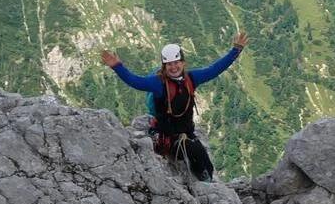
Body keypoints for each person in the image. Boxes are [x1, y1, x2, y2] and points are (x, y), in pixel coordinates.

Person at [101, 32, 247, 182]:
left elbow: (215, 69)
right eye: (169, 64)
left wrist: (235, 51)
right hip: (167, 139)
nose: (173, 67)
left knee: (207, 164)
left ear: (183, 63)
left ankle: (206, 180)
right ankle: (204, 184)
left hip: (187, 134)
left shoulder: (192, 78)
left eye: (176, 62)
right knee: (195, 150)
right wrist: (117, 67)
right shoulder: (158, 83)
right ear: (164, 66)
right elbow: (136, 82)